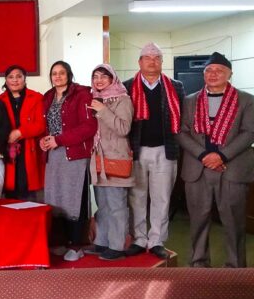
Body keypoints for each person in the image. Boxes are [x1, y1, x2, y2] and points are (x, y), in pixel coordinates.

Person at [177, 52, 254, 268]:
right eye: (208, 70)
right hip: (198, 168)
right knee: (198, 221)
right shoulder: (190, 100)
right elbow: (182, 132)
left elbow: (249, 132)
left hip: (232, 169)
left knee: (233, 223)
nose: (213, 74)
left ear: (230, 74)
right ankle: (198, 264)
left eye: (219, 70)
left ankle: (235, 268)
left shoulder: (246, 100)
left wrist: (221, 155)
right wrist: (204, 155)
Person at [123, 43, 185, 259]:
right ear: (139, 62)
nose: (152, 61)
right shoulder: (127, 86)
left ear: (162, 62)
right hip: (135, 151)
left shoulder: (175, 86)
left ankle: (157, 240)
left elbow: (183, 118)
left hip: (165, 151)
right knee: (136, 197)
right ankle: (139, 239)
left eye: (157, 57)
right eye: (147, 57)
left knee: (162, 198)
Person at [40, 61, 97, 262]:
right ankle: (62, 241)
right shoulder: (48, 96)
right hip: (53, 154)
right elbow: (46, 126)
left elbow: (89, 127)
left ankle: (76, 245)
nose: (57, 76)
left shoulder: (82, 94)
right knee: (56, 200)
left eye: (61, 73)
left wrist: (59, 140)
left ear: (69, 75)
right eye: (54, 73)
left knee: (74, 200)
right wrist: (44, 140)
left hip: (74, 153)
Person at [86, 64, 135, 261]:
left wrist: (103, 110)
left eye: (103, 76)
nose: (99, 80)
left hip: (116, 158)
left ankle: (117, 246)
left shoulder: (123, 99)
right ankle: (102, 242)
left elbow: (123, 129)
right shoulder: (93, 99)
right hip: (98, 159)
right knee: (103, 204)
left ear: (112, 79)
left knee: (117, 205)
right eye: (95, 76)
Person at [0, 65, 46, 201]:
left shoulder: (37, 98)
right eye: (11, 77)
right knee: (8, 194)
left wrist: (20, 132)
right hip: (7, 150)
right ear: (6, 80)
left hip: (30, 149)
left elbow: (41, 125)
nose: (15, 80)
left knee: (29, 194)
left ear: (24, 79)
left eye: (19, 76)